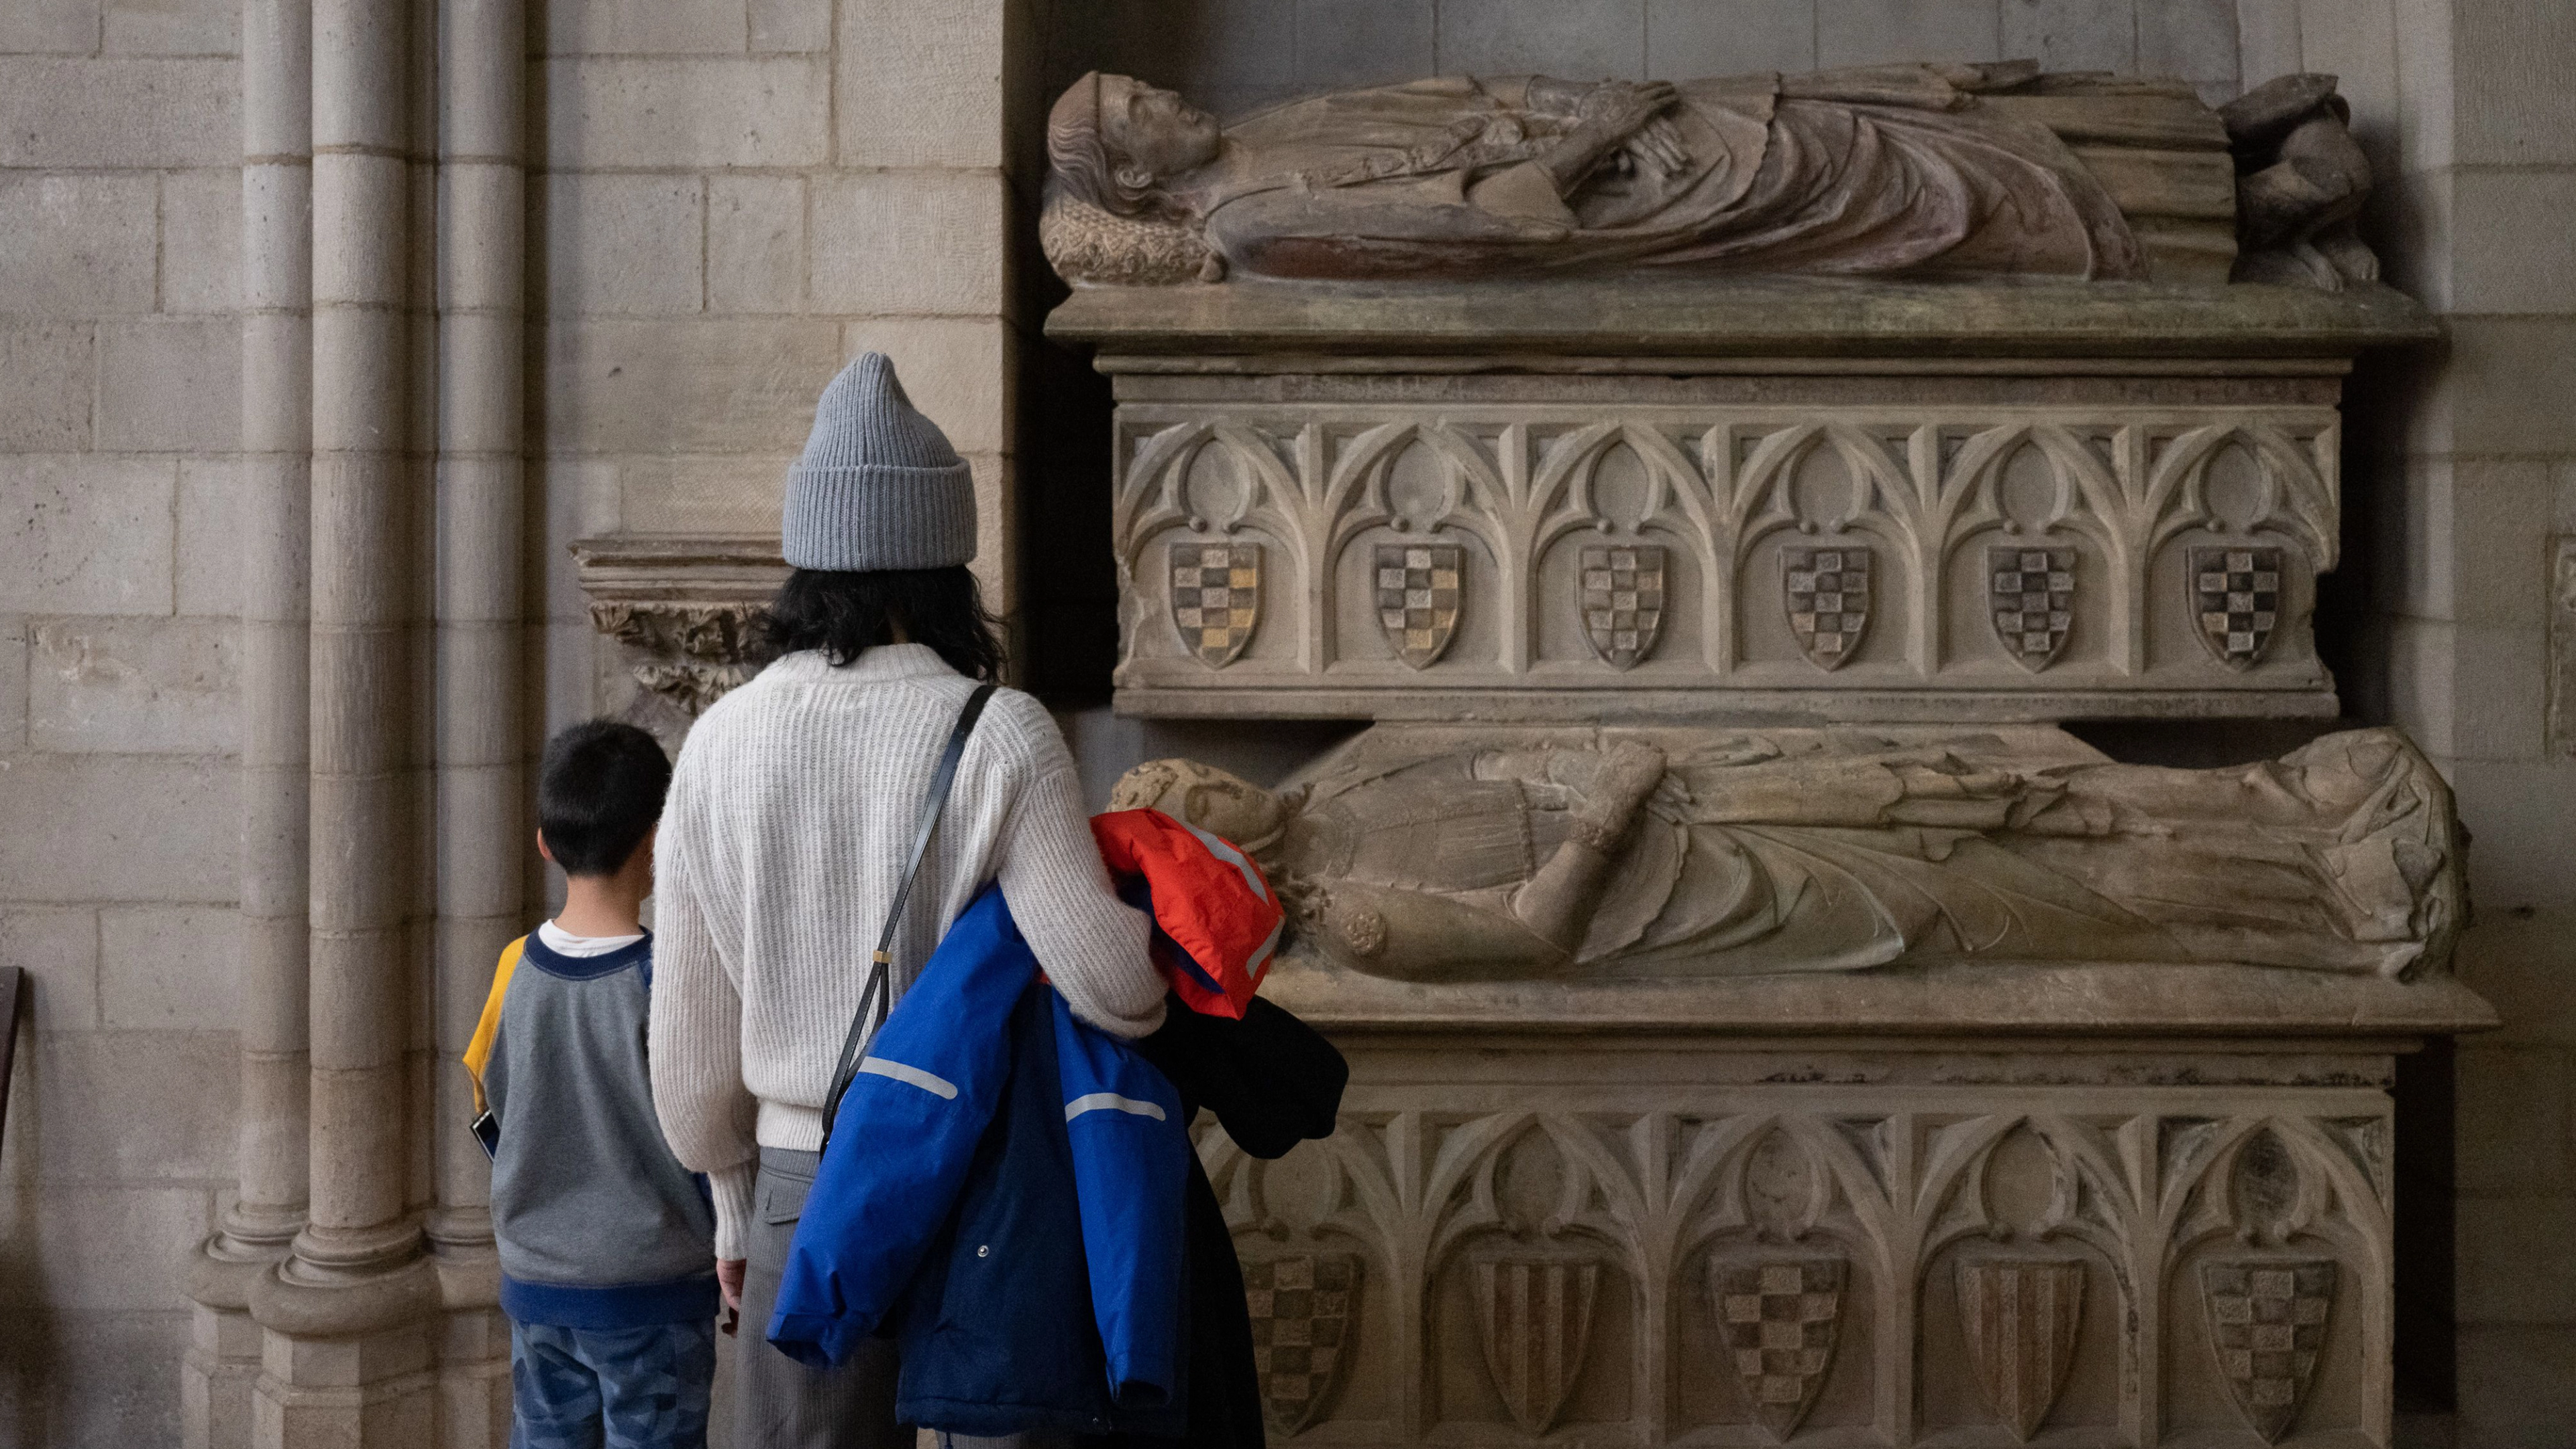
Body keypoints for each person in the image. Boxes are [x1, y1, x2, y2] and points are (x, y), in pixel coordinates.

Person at [646, 352, 1169, 1449]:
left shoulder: (718, 743)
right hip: (982, 1191)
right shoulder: (1000, 732)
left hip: (805, 1192)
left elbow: (692, 1071)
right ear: (945, 565)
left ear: (807, 562)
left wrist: (737, 1210)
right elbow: (1115, 988)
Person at [462, 720, 720, 1449]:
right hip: (653, 1284)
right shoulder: (664, 979)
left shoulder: (515, 965)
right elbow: (702, 1131)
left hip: (539, 1282)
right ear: (656, 839)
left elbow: (487, 1111)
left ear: (545, 840)